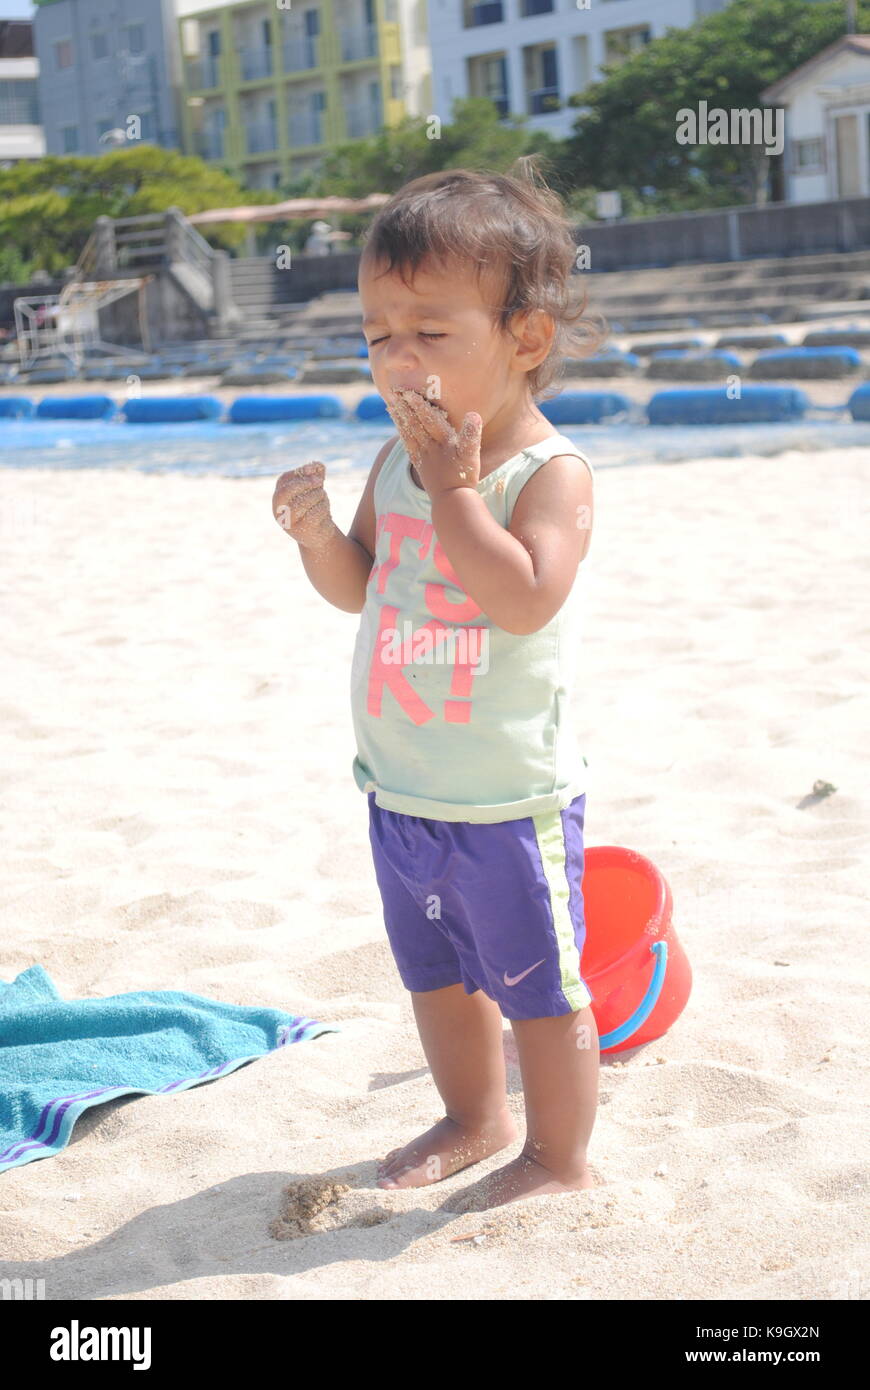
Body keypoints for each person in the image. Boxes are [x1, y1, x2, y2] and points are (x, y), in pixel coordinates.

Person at [271, 159, 607, 1211]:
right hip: (404, 788)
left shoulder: (545, 475)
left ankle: (557, 1155)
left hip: (506, 798)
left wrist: (460, 494)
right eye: (377, 335)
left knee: (541, 993)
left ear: (526, 339)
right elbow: (359, 589)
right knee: (439, 977)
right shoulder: (394, 462)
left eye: (429, 332)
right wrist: (319, 535)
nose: (395, 359)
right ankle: (474, 1114)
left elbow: (524, 600)